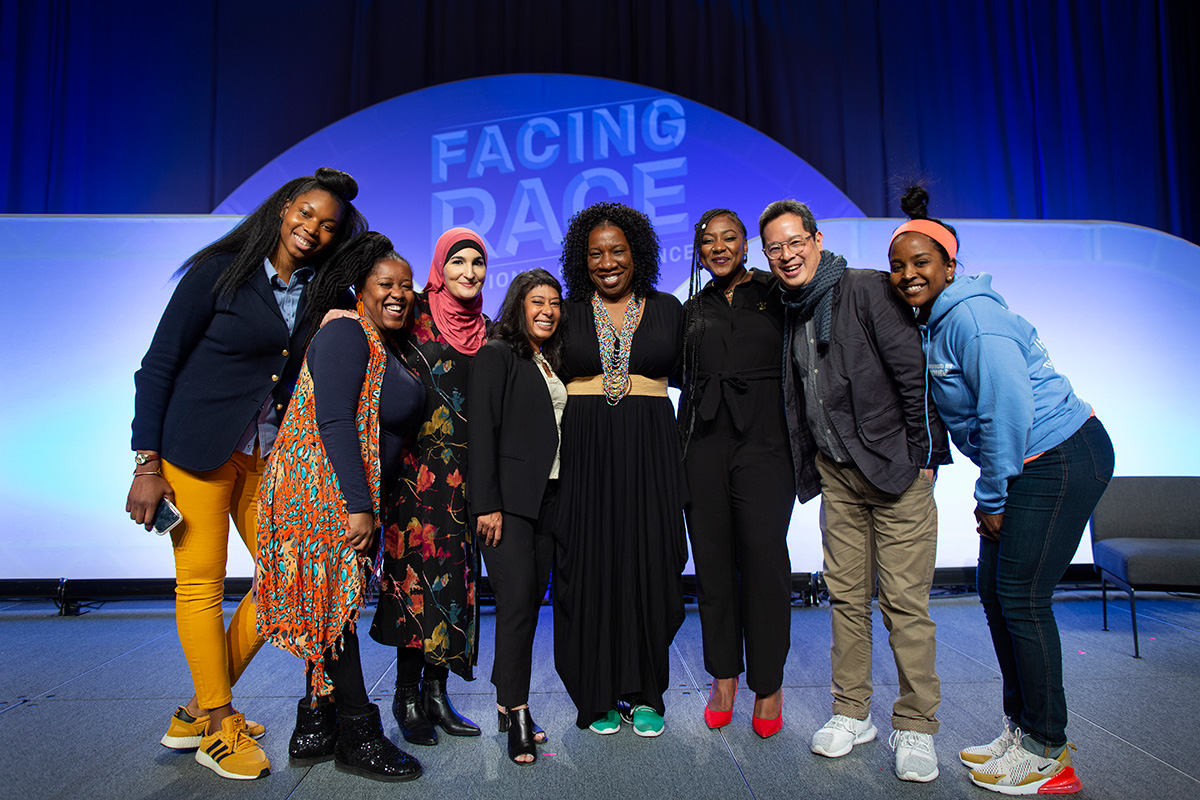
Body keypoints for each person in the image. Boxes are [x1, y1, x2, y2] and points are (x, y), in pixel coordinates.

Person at [126, 167, 366, 780]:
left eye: (327, 225)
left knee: (286, 579)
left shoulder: (320, 290)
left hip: (264, 455)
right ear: (285, 207)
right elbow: (157, 366)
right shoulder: (221, 270)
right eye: (306, 213)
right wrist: (146, 463)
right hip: (193, 451)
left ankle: (197, 711)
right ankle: (221, 723)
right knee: (201, 585)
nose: (312, 228)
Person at [888, 186, 1114, 796]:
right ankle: (1023, 729)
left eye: (921, 263)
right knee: (996, 592)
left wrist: (993, 497)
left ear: (949, 266)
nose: (908, 275)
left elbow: (1006, 412)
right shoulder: (937, 320)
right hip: (1031, 462)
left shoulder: (971, 317)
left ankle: (1048, 752)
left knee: (1021, 598)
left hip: (1059, 456)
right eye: (899, 266)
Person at [760, 199, 950, 783]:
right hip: (839, 477)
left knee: (905, 606)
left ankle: (916, 725)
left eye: (795, 242)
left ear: (817, 240)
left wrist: (925, 459)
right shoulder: (791, 309)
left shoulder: (865, 289)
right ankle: (852, 712)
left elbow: (912, 374)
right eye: (775, 249)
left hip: (896, 475)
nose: (787, 256)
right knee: (847, 600)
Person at [256, 232, 424, 782]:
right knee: (336, 613)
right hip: (320, 494)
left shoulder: (376, 340)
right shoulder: (347, 333)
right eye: (385, 285)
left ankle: (315, 723)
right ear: (360, 288)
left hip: (332, 492)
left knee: (323, 607)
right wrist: (359, 505)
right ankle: (358, 732)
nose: (398, 294)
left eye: (406, 286)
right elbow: (332, 423)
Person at [554, 201, 687, 738]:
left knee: (648, 561)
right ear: (580, 260)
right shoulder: (563, 311)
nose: (607, 262)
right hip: (585, 450)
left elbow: (696, 379)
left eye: (618, 251)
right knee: (589, 565)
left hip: (650, 447)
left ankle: (645, 692)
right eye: (595, 254)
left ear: (638, 254)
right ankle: (596, 695)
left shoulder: (669, 309)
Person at [677, 208, 795, 737]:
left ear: (747, 246)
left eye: (730, 238)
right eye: (709, 241)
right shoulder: (691, 308)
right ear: (699, 250)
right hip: (703, 445)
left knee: (766, 566)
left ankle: (767, 684)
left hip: (766, 443)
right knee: (713, 566)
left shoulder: (779, 293)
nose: (719, 247)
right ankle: (724, 676)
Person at [369, 227, 486, 746]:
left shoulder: (490, 330)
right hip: (412, 479)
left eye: (477, 263)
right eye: (457, 262)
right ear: (440, 267)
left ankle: (438, 697)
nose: (468, 272)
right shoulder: (411, 316)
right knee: (411, 587)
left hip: (464, 479)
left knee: (453, 589)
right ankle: (406, 695)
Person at [467, 268, 566, 764]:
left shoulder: (548, 360)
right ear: (518, 306)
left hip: (549, 500)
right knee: (517, 605)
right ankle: (518, 715)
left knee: (527, 606)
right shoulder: (496, 353)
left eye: (555, 302)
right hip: (507, 506)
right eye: (537, 301)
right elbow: (481, 431)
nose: (547, 310)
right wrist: (487, 503)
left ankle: (509, 700)